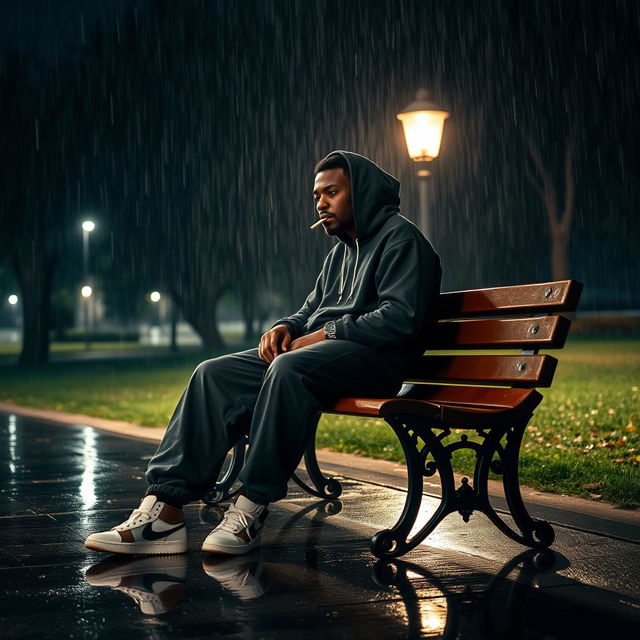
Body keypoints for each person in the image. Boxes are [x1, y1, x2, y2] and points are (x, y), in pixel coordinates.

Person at [84, 150, 442, 557]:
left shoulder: (403, 240)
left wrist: (327, 332)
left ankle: (250, 508)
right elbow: (311, 309)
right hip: (320, 357)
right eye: (316, 196)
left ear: (361, 193)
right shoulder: (340, 253)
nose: (321, 203)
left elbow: (401, 319)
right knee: (213, 373)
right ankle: (163, 511)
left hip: (377, 362)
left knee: (290, 368)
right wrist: (286, 326)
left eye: (332, 193)